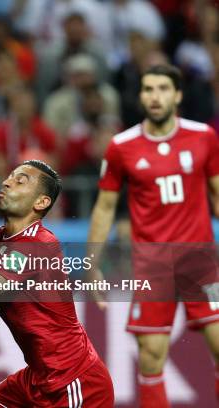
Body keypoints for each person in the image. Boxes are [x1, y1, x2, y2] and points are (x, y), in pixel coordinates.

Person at [87, 64, 219, 407]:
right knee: (150, 357)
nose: (154, 96)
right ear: (141, 96)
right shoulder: (121, 146)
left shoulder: (204, 136)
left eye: (162, 88)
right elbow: (104, 207)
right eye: (147, 89)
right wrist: (92, 265)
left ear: (177, 95)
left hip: (202, 263)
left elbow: (218, 194)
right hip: (153, 267)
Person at [0, 160, 114, 407]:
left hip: (74, 382)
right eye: (9, 177)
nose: (6, 181)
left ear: (41, 202)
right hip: (36, 378)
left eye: (20, 181)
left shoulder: (37, 244)